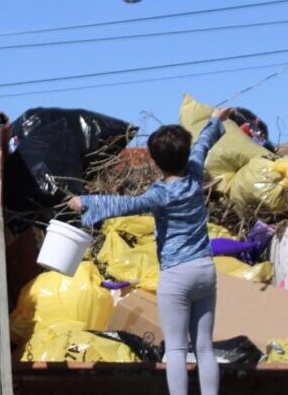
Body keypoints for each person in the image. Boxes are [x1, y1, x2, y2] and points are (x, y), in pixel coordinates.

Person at [69, 107, 230, 395]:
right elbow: (205, 142)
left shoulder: (160, 194)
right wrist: (217, 118)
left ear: (155, 162)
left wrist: (86, 202)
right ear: (185, 152)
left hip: (177, 276)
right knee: (205, 346)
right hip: (205, 270)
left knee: (178, 348)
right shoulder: (194, 173)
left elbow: (125, 205)